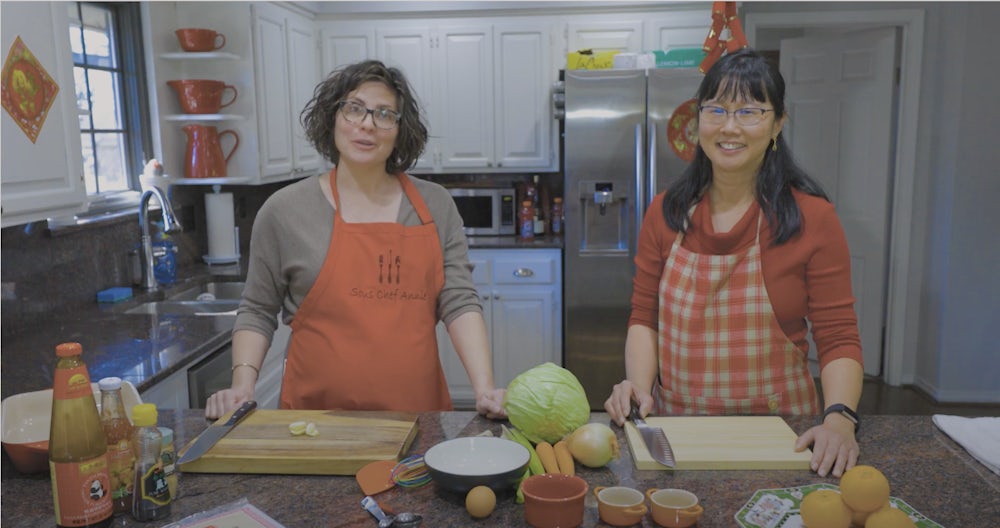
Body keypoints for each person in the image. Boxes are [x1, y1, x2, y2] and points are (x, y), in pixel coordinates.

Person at [603, 48, 864, 478]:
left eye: (749, 111)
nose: (729, 126)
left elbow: (837, 335)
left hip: (785, 438)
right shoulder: (665, 212)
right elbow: (644, 317)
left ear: (778, 123)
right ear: (698, 119)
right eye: (717, 109)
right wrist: (637, 385)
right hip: (677, 435)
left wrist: (839, 416)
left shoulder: (813, 218)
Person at [205, 60, 506, 420]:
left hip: (417, 420)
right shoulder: (284, 211)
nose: (367, 124)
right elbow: (256, 308)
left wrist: (484, 387)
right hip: (314, 423)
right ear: (331, 117)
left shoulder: (434, 205)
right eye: (354, 109)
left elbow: (458, 300)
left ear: (399, 130)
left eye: (384, 114)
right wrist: (243, 385)